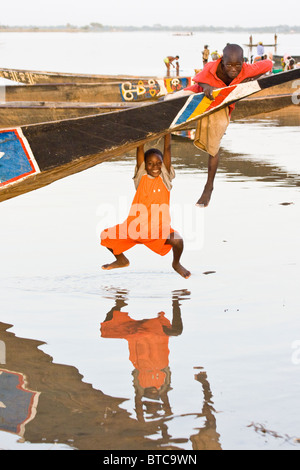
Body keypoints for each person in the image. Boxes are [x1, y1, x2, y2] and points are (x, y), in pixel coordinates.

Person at [183, 43, 273, 207]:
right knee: (166, 101)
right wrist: (206, 86)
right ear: (222, 62)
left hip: (220, 106)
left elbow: (268, 64)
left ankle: (208, 186)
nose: (233, 69)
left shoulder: (245, 69)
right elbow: (199, 80)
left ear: (243, 62)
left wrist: (251, 77)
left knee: (215, 144)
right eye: (229, 65)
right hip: (196, 97)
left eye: (237, 65)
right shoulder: (211, 66)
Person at [100, 134, 191, 279]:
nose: (155, 166)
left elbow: (167, 149)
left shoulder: (165, 178)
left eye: (158, 163)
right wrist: (140, 133)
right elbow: (139, 152)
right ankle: (121, 260)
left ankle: (176, 263)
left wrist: (168, 133)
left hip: (158, 229)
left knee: (177, 240)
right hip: (134, 228)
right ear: (144, 165)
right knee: (105, 235)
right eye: (150, 163)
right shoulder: (141, 178)